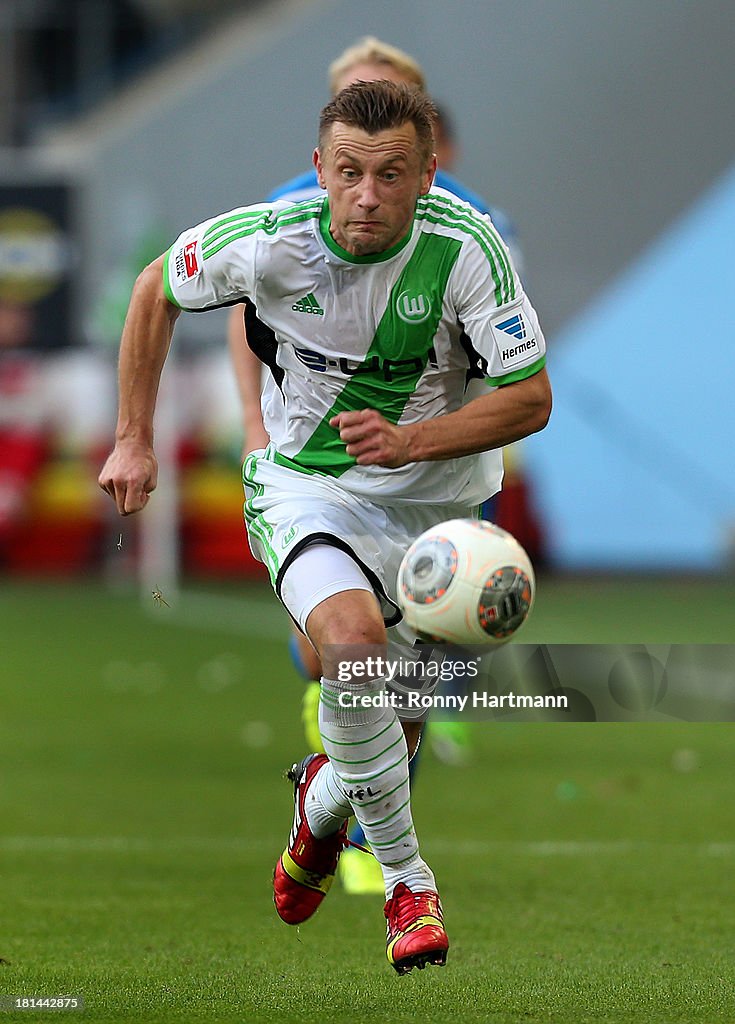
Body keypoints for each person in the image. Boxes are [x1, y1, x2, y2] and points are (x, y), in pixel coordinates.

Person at [99, 81, 551, 973]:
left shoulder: (469, 252)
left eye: (389, 174)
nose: (367, 195)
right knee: (351, 648)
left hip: (441, 516)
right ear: (319, 169)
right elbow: (156, 287)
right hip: (307, 489)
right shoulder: (269, 241)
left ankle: (321, 804)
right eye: (348, 172)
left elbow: (530, 397)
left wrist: (410, 439)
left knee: (396, 719)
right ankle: (406, 886)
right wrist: (132, 440)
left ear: (428, 174)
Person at [226, 39, 521, 889]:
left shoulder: (472, 221)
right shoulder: (294, 206)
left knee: (416, 677)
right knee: (341, 649)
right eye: (351, 99)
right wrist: (252, 421)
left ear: (423, 134)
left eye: (385, 99)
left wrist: (468, 437)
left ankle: (339, 803)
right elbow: (237, 314)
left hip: (440, 467)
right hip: (321, 473)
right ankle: (377, 855)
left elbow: (508, 351)